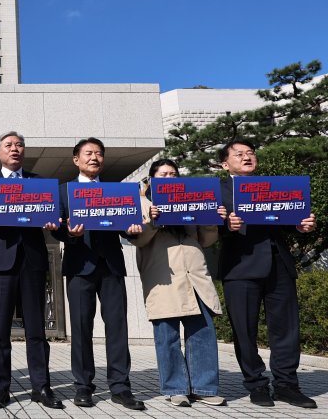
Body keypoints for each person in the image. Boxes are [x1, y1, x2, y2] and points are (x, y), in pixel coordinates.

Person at [217, 139, 318, 408]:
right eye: (239, 154)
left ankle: (287, 385)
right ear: (225, 163)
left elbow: (289, 222)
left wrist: (303, 226)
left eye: (250, 152)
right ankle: (256, 384)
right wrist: (227, 225)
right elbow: (205, 229)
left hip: (279, 264)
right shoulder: (217, 190)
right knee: (244, 330)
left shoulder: (275, 188)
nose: (247, 157)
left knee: (286, 329)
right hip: (240, 267)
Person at [0, 131, 65, 410]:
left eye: (19, 145)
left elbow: (53, 218)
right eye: (9, 145)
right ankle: (0, 389)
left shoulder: (38, 183)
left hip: (32, 261)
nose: (15, 149)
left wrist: (52, 223)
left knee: (36, 329)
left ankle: (41, 387)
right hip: (1, 261)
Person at [56, 137, 145, 410]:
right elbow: (54, 228)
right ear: (76, 160)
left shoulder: (115, 191)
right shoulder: (63, 191)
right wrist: (67, 233)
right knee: (81, 329)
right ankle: (83, 387)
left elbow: (124, 224)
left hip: (111, 266)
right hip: (79, 266)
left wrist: (130, 229)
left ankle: (120, 387)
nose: (94, 157)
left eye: (99, 153)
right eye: (88, 153)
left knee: (118, 327)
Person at [132, 159, 226, 407]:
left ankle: (205, 388)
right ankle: (175, 388)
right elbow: (138, 240)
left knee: (202, 332)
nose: (169, 178)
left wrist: (210, 218)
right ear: (152, 179)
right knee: (167, 336)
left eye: (173, 174)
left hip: (194, 275)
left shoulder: (191, 199)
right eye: (163, 174)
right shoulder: (142, 202)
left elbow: (206, 241)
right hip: (164, 277)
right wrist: (152, 219)